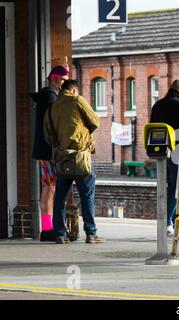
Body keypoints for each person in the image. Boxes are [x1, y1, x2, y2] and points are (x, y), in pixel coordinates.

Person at [44, 80, 105, 244]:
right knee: (87, 196)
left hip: (62, 158)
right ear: (74, 90)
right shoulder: (77, 100)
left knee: (60, 197)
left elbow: (47, 135)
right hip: (80, 157)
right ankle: (91, 234)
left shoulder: (51, 108)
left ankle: (60, 234)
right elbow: (95, 121)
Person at [30, 65, 69, 241]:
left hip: (43, 150)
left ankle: (47, 228)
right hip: (48, 151)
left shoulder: (47, 95)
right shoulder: (50, 96)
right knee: (50, 188)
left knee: (49, 187)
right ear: (53, 79)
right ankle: (47, 228)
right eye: (62, 80)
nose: (63, 84)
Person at [150, 79, 179, 236]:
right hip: (177, 151)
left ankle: (166, 219)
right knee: (174, 187)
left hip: (159, 150)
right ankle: (169, 221)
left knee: (163, 187)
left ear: (170, 88)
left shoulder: (157, 105)